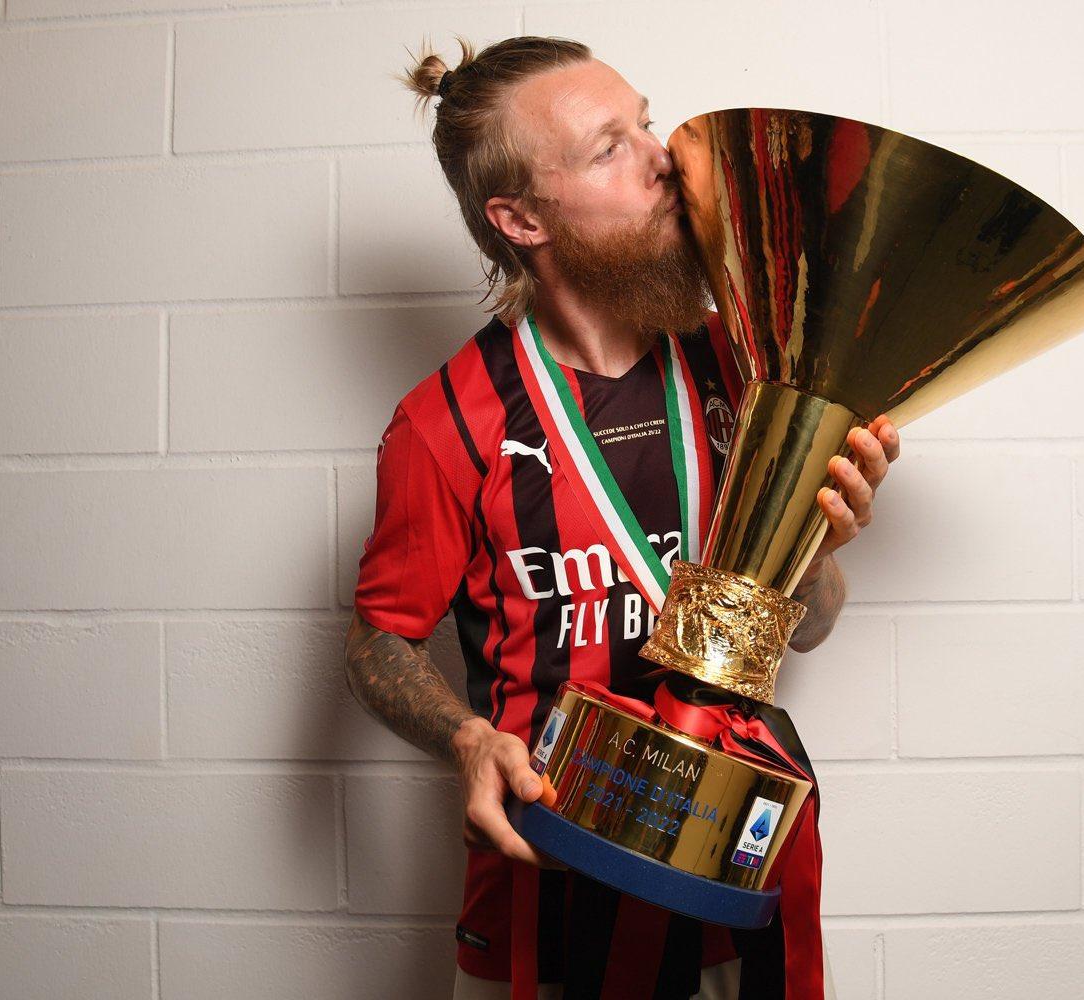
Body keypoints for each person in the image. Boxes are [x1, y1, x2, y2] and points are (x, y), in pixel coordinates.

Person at [344, 34, 902, 999]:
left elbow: (808, 627)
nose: (664, 156)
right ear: (521, 218)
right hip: (544, 896)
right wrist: (468, 740)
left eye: (645, 123)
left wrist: (815, 547)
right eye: (611, 147)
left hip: (729, 888)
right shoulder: (444, 424)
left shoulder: (747, 365)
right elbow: (377, 642)